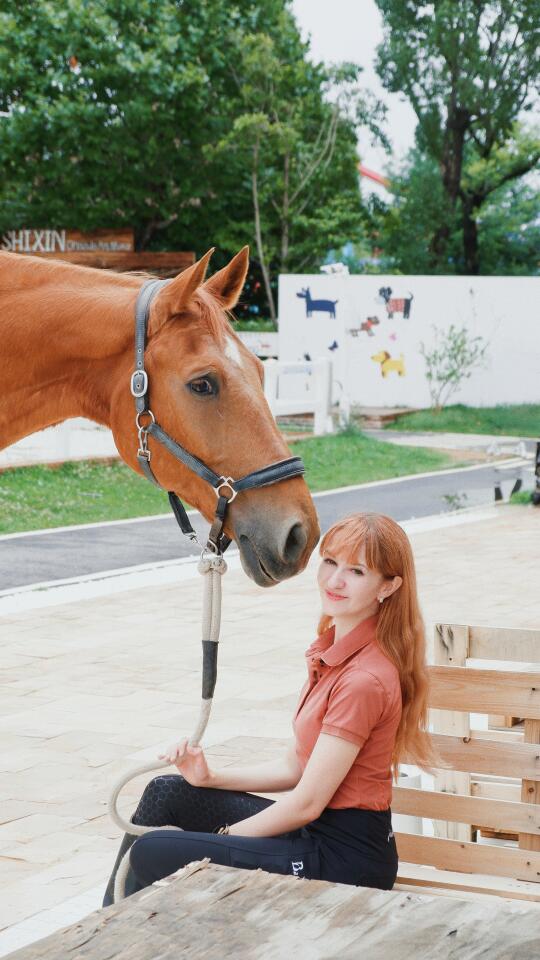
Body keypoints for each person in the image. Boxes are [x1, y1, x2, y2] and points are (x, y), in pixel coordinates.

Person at [102, 512, 437, 904]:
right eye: (330, 562)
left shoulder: (364, 679)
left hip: (345, 859)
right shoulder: (331, 653)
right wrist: (210, 777)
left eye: (357, 571)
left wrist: (221, 841)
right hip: (313, 832)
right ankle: (104, 932)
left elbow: (306, 804)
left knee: (152, 852)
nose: (334, 580)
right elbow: (294, 768)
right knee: (168, 793)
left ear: (388, 586)